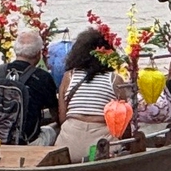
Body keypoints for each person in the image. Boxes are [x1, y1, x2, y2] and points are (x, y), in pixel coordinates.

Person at [0, 27, 62, 146]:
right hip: (25, 143)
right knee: (53, 130)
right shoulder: (42, 77)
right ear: (38, 54)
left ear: (15, 51)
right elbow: (56, 114)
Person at [54, 26, 128, 161]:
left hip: (69, 145)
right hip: (102, 147)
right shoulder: (114, 79)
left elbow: (62, 117)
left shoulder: (69, 77)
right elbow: (123, 119)